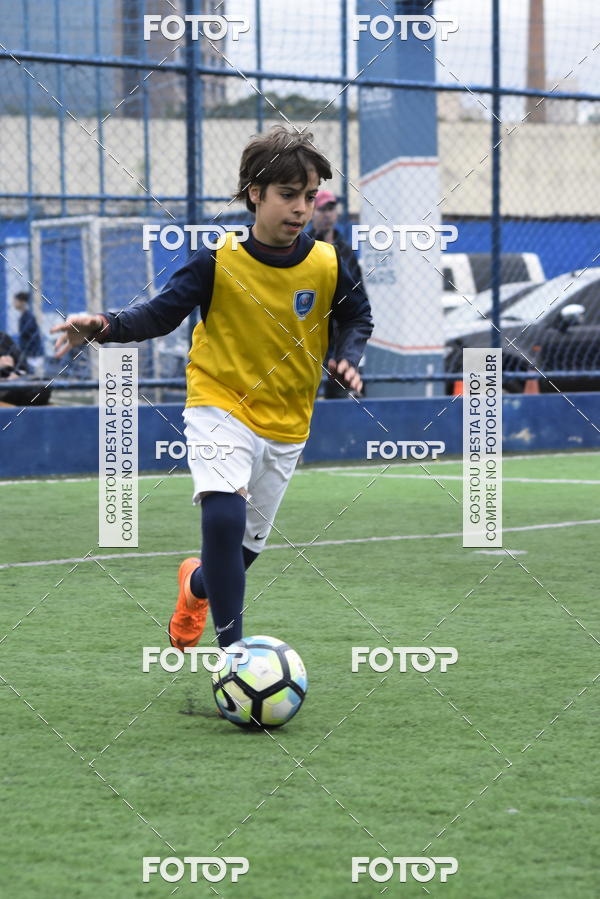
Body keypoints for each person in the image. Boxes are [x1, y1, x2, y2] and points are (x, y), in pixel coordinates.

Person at [51, 125, 373, 660]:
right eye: (287, 195)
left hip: (289, 421)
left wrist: (348, 357)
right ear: (256, 194)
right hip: (218, 404)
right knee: (222, 517)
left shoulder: (330, 261)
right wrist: (105, 325)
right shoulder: (216, 261)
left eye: (308, 196)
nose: (300, 208)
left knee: (238, 555)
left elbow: (357, 316)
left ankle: (195, 587)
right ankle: (234, 658)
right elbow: (160, 313)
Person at [307, 190, 370, 398]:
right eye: (322, 209)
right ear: (313, 212)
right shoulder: (304, 246)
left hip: (339, 332)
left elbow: (357, 292)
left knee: (340, 384)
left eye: (331, 208)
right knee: (309, 386)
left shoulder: (345, 250)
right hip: (312, 331)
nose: (326, 214)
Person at [0, 330, 51, 406]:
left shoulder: (3, 338)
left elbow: (22, 366)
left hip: (13, 380)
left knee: (43, 384)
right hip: (4, 385)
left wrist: (15, 374)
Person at [13, 291, 44, 374]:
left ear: (22, 302)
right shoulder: (24, 316)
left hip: (33, 355)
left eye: (15, 301)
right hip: (29, 353)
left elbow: (30, 335)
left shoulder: (28, 317)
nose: (14, 304)